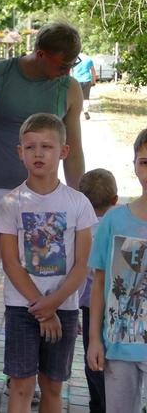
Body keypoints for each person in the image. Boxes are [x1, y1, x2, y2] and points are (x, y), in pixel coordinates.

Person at [0, 22, 86, 288]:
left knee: (41, 268)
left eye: (71, 66)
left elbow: (73, 151)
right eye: (62, 65)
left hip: (44, 196)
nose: (66, 72)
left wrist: (80, 201)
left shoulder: (69, 88)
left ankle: (38, 319)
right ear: (40, 53)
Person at [0, 113, 95, 413]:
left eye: (47, 147)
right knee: (21, 386)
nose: (38, 153)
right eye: (31, 146)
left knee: (52, 386)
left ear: (63, 151)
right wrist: (41, 306)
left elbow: (81, 266)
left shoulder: (78, 204)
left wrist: (54, 304)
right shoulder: (11, 203)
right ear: (19, 151)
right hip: (22, 308)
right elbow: (10, 264)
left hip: (64, 307)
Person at [87, 134, 147, 413]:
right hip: (120, 345)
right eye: (145, 162)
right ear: (134, 164)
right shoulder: (114, 220)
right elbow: (99, 283)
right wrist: (95, 340)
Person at [78, 168, 117, 413]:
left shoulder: (83, 229)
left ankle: (98, 405)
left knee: (92, 358)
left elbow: (80, 273)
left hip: (89, 307)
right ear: (115, 199)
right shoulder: (117, 226)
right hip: (116, 306)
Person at [71, 56, 97, 120]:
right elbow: (93, 71)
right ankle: (86, 112)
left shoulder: (74, 58)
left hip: (76, 81)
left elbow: (71, 71)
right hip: (87, 80)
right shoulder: (89, 59)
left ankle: (75, 113)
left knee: (76, 98)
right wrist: (93, 81)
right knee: (86, 98)